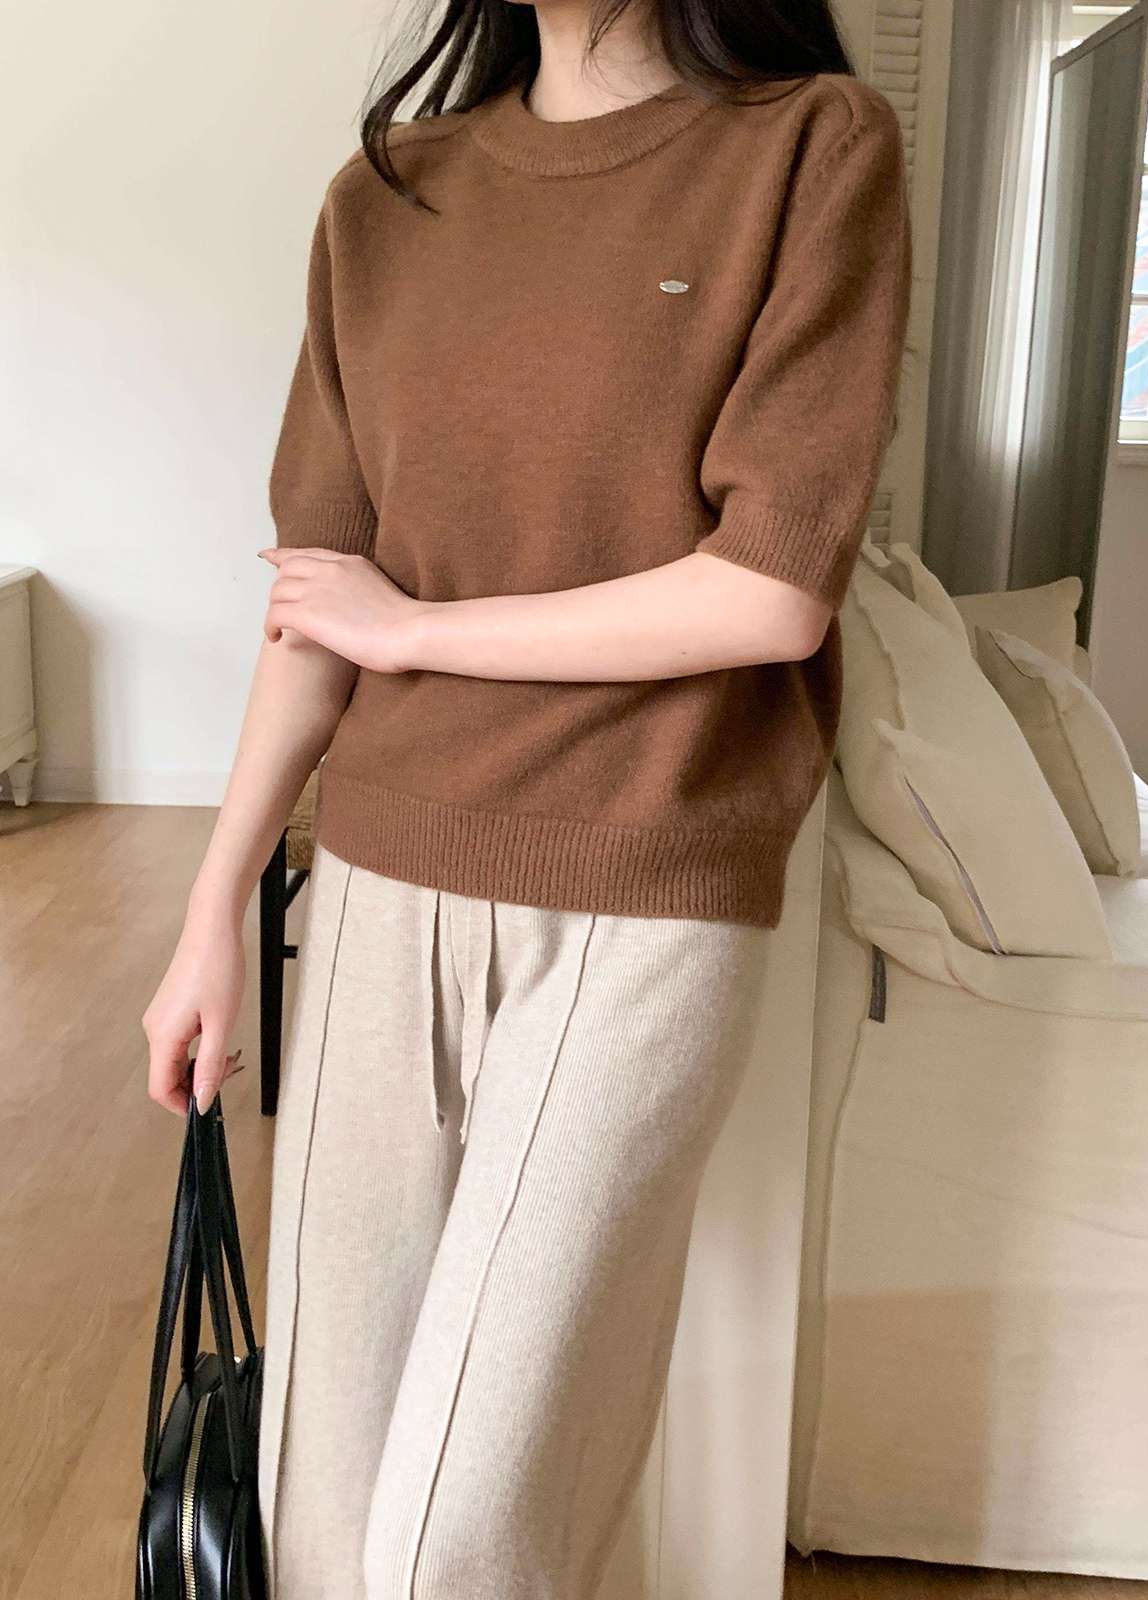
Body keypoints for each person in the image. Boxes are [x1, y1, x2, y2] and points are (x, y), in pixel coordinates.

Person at [141, 0, 912, 1591]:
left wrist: (419, 632)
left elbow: (773, 593)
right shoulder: (385, 199)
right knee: (322, 1507)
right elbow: (317, 604)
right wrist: (213, 910)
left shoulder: (811, 149)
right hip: (374, 886)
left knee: (463, 1532)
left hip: (643, 893)